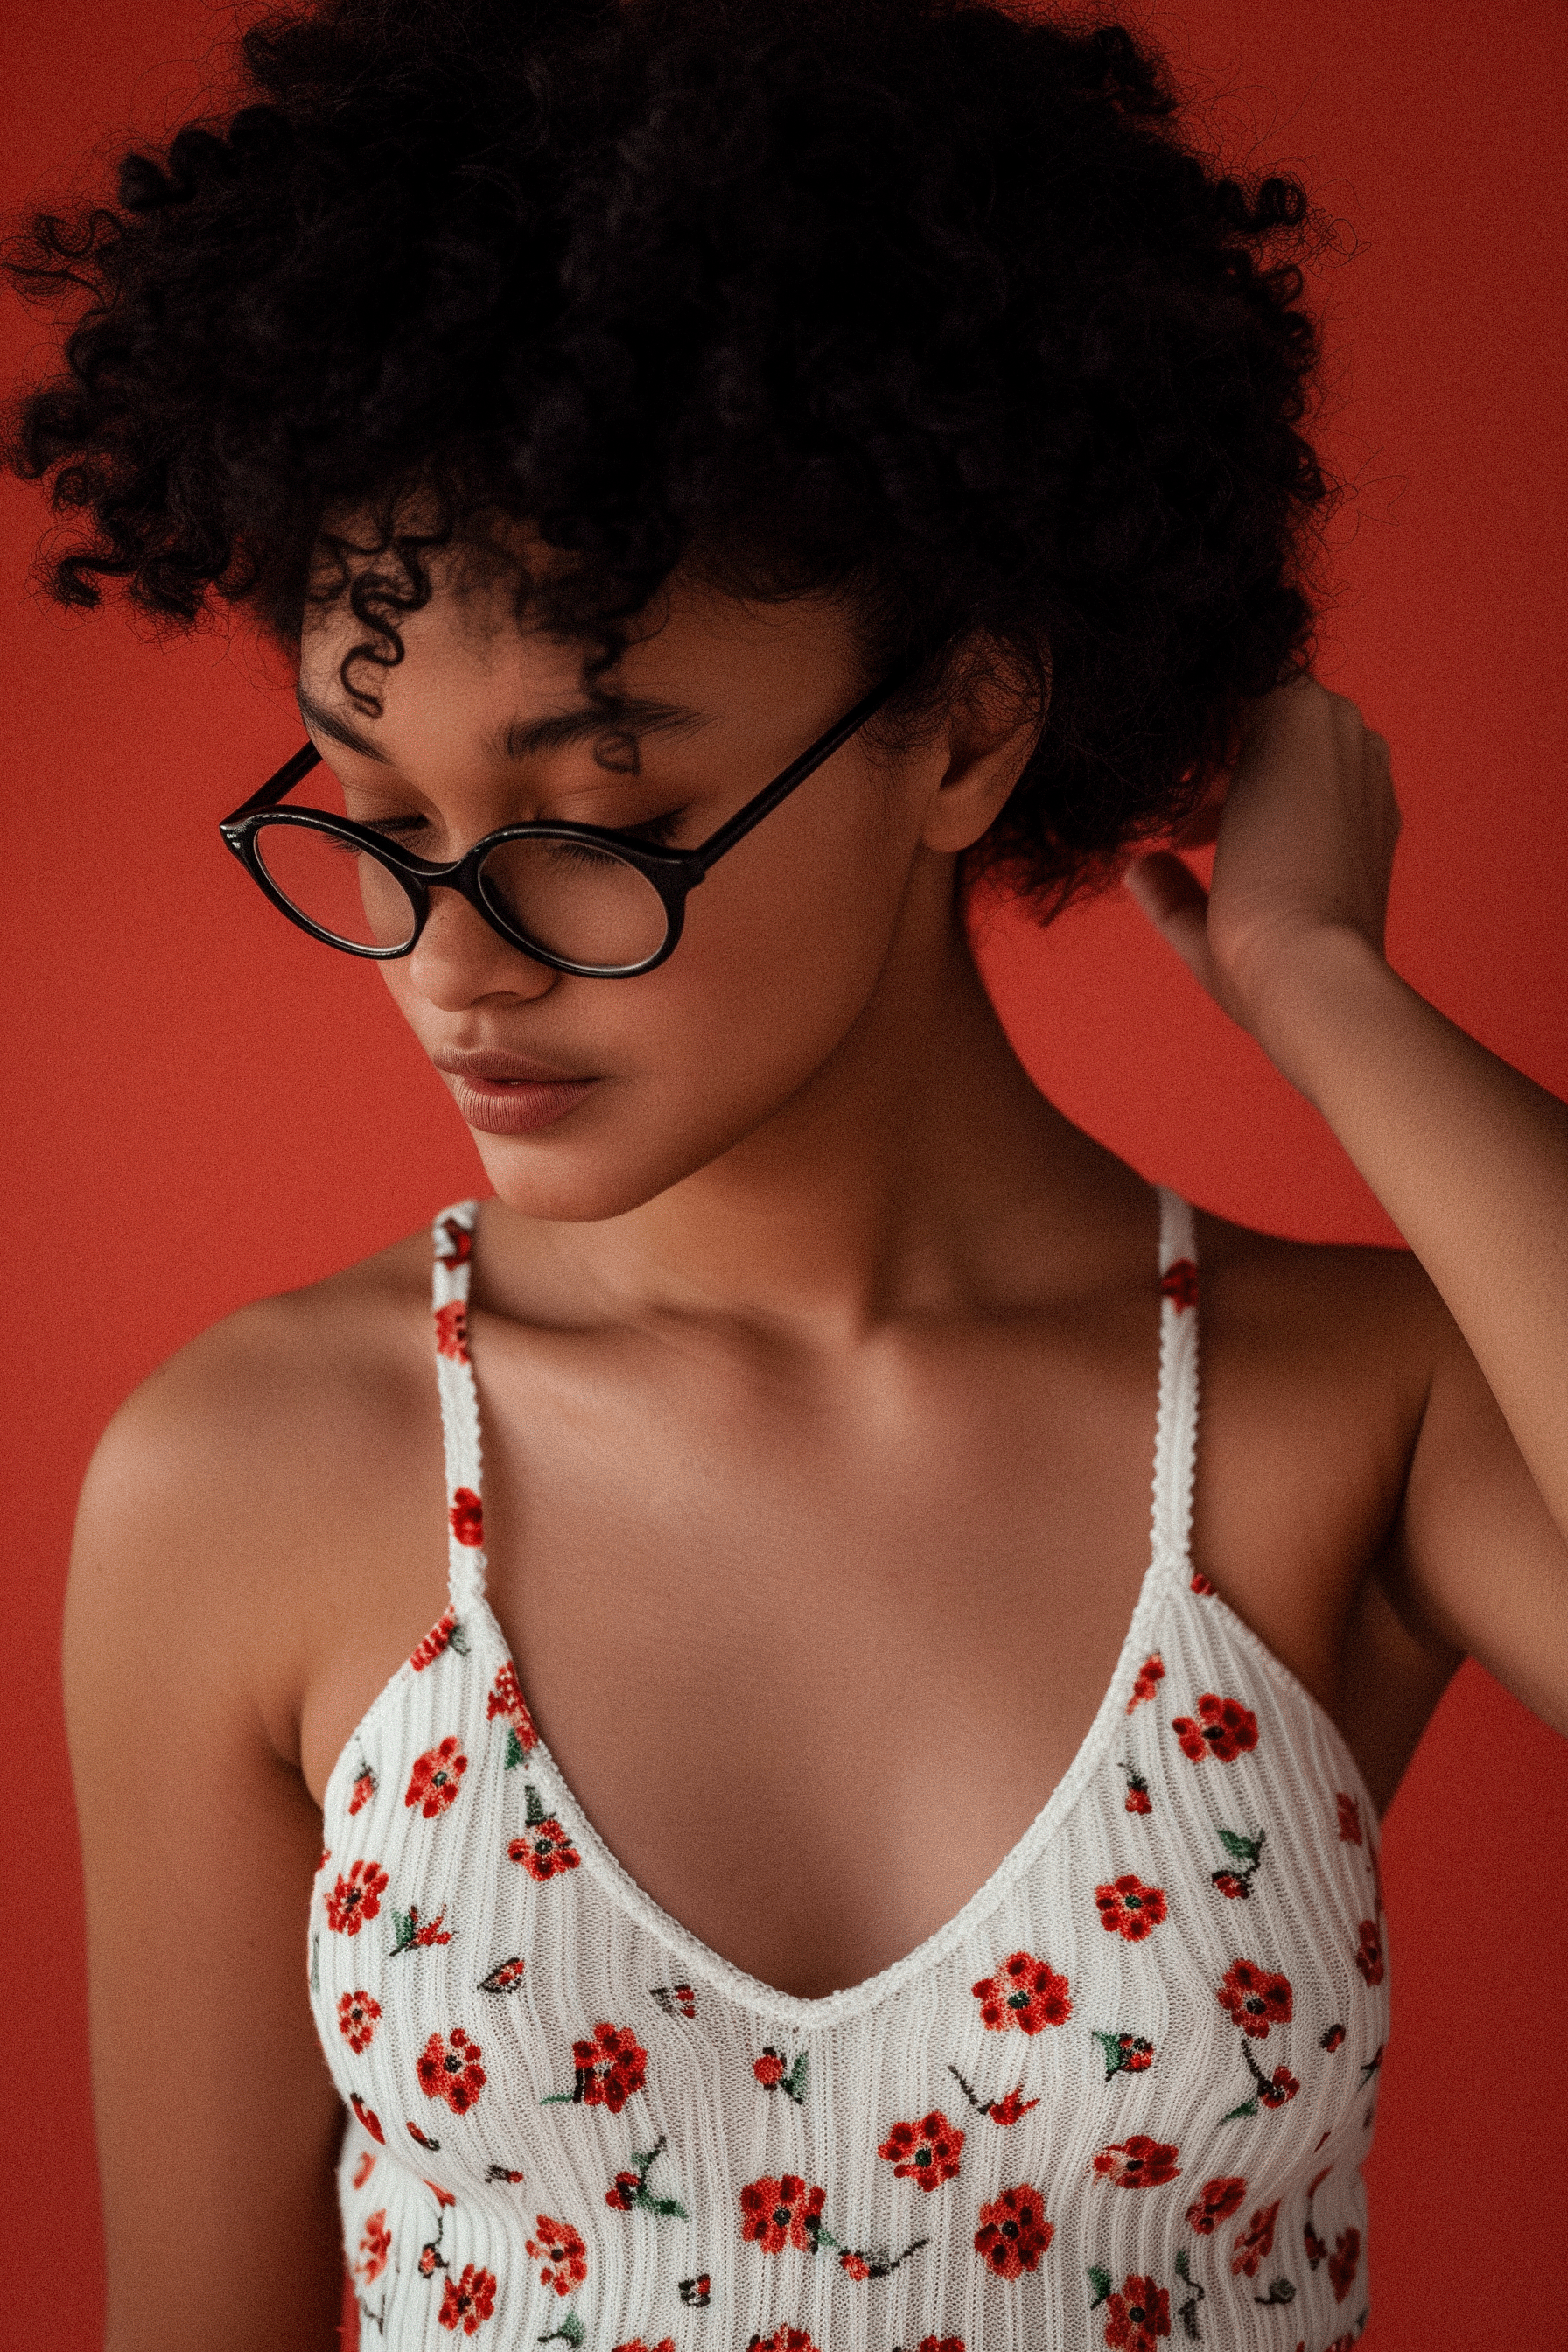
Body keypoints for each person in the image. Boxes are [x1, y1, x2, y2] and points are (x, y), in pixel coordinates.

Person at [10, 2, 1565, 2348]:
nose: (451, 962)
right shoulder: (248, 1478)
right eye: (380, 819)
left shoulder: (1350, 1412)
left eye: (595, 829)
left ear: (959, 726)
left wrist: (1325, 985)